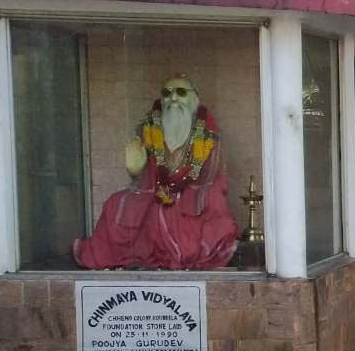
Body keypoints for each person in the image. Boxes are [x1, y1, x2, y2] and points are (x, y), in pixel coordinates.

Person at [74, 75, 238, 270]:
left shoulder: (208, 134)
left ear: (195, 99)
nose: (173, 98)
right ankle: (140, 258)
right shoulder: (148, 128)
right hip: (154, 190)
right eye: (167, 93)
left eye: (181, 92)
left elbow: (214, 176)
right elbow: (143, 177)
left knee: (213, 200)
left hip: (194, 191)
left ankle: (187, 256)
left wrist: (188, 187)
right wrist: (136, 170)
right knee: (115, 203)